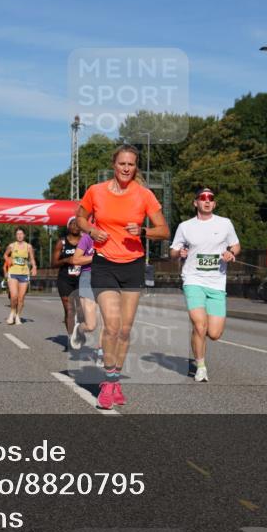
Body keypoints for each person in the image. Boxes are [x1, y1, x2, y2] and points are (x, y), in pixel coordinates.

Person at [76, 144, 170, 409]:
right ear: (114, 165)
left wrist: (143, 232)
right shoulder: (96, 191)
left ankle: (115, 379)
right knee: (113, 325)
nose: (126, 168)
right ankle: (107, 381)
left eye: (131, 164)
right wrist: (92, 231)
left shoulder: (144, 195)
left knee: (126, 330)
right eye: (122, 164)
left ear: (135, 166)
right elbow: (80, 218)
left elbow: (163, 230)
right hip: (104, 263)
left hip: (133, 264)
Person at [170, 187, 240, 383]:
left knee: (215, 334)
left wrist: (231, 253)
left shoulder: (225, 223)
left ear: (214, 203)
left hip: (217, 282)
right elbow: (173, 251)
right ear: (196, 203)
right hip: (193, 280)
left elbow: (235, 245)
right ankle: (201, 366)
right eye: (203, 198)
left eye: (210, 198)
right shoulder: (185, 226)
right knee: (201, 325)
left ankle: (197, 334)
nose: (207, 201)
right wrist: (179, 253)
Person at [70, 223, 104, 364]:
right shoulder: (87, 238)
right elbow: (76, 259)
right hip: (88, 277)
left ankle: (100, 352)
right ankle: (80, 329)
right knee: (91, 325)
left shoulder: (114, 235)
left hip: (107, 277)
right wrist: (96, 257)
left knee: (108, 321)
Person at [53, 217, 83, 348]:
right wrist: (66, 260)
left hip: (82, 279)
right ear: (68, 226)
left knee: (81, 311)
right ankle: (71, 338)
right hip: (65, 279)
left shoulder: (85, 241)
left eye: (78, 224)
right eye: (72, 223)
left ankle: (80, 332)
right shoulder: (62, 242)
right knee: (69, 310)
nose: (76, 226)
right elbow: (53, 263)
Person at [4, 228, 37, 324]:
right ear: (15, 235)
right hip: (13, 272)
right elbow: (5, 255)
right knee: (14, 296)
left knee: (21, 297)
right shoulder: (12, 246)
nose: (19, 235)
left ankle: (18, 316)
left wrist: (34, 267)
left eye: (21, 234)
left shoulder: (28, 246)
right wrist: (8, 260)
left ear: (24, 235)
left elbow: (32, 258)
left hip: (24, 273)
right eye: (17, 234)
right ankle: (12, 313)